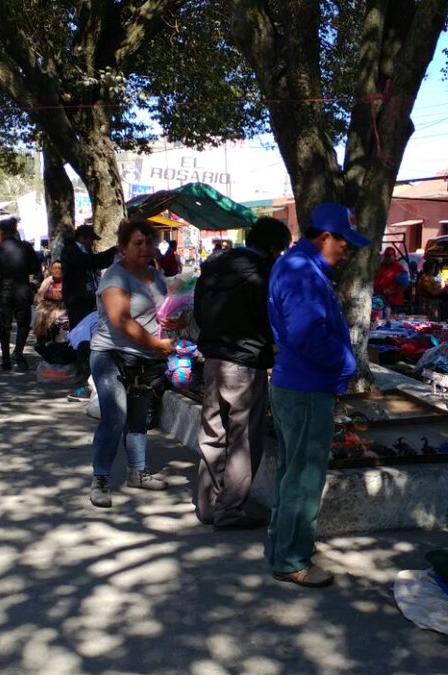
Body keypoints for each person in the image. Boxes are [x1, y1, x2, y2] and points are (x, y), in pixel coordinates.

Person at [266, 202, 368, 588]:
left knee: (292, 474)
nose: (347, 250)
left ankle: (285, 546)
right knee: (304, 479)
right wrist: (346, 365)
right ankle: (292, 560)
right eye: (344, 242)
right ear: (325, 236)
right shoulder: (301, 272)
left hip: (297, 384)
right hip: (307, 387)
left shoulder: (298, 266)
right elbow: (308, 334)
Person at [193, 216, 292, 531]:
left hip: (212, 361)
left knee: (213, 435)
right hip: (245, 365)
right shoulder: (263, 275)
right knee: (243, 441)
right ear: (275, 247)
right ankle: (230, 511)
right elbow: (273, 321)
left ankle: (208, 506)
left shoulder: (213, 268)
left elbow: (197, 313)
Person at [87, 218, 176, 509]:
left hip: (146, 359)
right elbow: (120, 320)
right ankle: (100, 478)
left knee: (139, 420)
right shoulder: (114, 276)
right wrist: (157, 344)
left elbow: (160, 312)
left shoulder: (155, 275)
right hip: (111, 355)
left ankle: (137, 472)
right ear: (123, 247)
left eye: (150, 242)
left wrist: (175, 322)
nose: (145, 248)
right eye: (138, 243)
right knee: (115, 417)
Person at [62, 225, 117, 387]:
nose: (92, 243)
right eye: (90, 240)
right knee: (81, 335)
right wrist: (114, 251)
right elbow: (93, 262)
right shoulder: (71, 252)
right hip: (77, 301)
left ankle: (86, 369)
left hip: (88, 300)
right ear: (82, 238)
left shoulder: (84, 252)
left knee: (88, 334)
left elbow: (96, 263)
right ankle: (81, 372)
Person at [0, 217, 42, 372]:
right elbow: (35, 267)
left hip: (3, 289)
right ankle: (18, 352)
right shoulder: (25, 247)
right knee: (23, 324)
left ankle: (5, 357)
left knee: (4, 326)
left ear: (2, 232)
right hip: (22, 288)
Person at [33, 262, 67, 345]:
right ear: (51, 270)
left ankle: (58, 339)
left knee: (58, 315)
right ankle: (42, 338)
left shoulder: (67, 280)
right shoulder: (48, 280)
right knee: (40, 313)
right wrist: (49, 295)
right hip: (47, 305)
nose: (57, 271)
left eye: (59, 269)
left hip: (63, 306)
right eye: (55, 268)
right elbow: (39, 296)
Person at [373, 249, 408, 319]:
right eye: (386, 256)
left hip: (393, 302)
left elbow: (404, 285)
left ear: (394, 256)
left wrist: (391, 291)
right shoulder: (380, 266)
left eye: (389, 256)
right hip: (379, 300)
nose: (387, 258)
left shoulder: (399, 268)